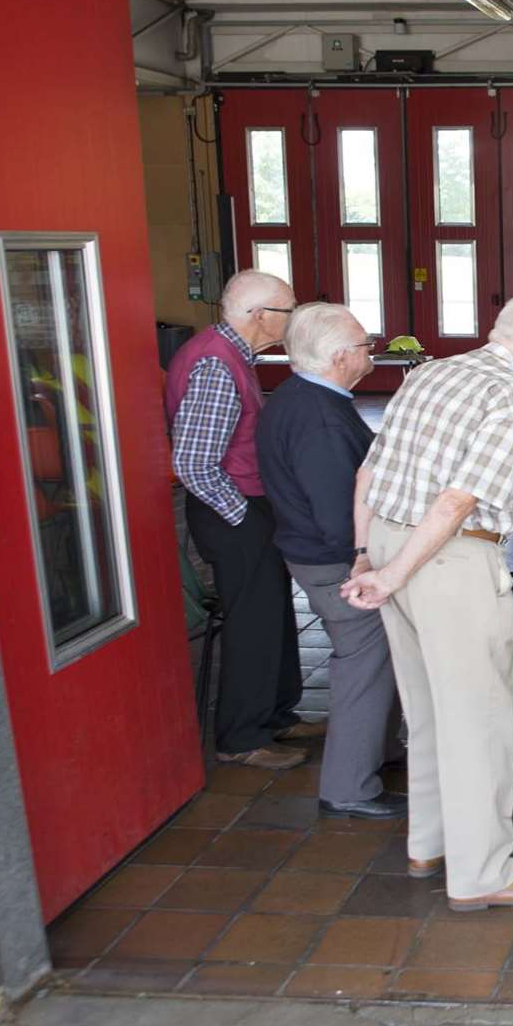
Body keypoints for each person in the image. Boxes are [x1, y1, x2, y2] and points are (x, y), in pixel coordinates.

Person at [340, 293, 513, 913]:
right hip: (447, 558)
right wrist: (393, 574)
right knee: (479, 720)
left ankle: (430, 843)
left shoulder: (434, 373)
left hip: (393, 538)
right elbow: (457, 501)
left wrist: (369, 556)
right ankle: (483, 873)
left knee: (426, 710)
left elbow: (369, 473)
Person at [255, 303, 404, 820]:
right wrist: (364, 564)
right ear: (341, 357)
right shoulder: (319, 416)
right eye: (365, 345)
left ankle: (380, 755)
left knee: (378, 657)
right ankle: (348, 787)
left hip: (317, 554)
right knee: (362, 665)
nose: (371, 352)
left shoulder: (301, 397)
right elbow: (336, 508)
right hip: (335, 562)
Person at [165, 269, 314, 771]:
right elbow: (192, 462)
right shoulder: (213, 364)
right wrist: (243, 519)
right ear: (258, 316)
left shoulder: (231, 354)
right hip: (231, 512)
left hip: (246, 505)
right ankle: (242, 736)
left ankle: (276, 715)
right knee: (252, 623)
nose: (292, 321)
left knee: (272, 614)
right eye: (287, 312)